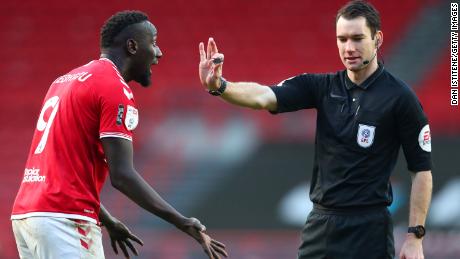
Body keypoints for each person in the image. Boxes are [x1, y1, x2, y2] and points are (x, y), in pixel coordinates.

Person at [198, 1, 432, 259]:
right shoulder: (320, 87)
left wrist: (414, 237)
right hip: (321, 226)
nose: (349, 48)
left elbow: (421, 170)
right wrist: (220, 86)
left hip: (369, 229)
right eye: (342, 39)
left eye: (357, 38)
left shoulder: (400, 98)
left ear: (377, 39)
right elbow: (263, 96)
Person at [11, 10, 227, 259]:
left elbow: (64, 172)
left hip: (27, 215)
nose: (159, 53)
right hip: (65, 221)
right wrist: (182, 222)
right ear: (132, 46)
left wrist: (108, 220)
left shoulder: (65, 81)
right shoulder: (113, 88)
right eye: (154, 43)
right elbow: (122, 176)